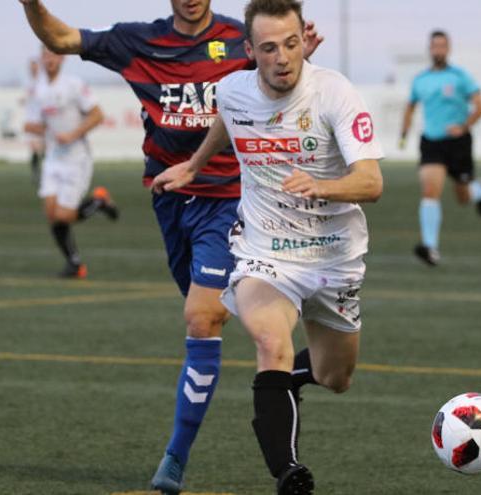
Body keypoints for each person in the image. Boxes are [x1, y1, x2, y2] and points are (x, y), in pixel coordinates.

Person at [17, 1, 322, 492]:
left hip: (230, 201)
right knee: (222, 315)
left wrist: (298, 54)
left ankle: (174, 460)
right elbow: (62, 39)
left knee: (202, 317)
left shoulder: (238, 38)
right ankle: (302, 366)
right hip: (170, 199)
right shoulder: (139, 41)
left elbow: (282, 82)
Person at [152, 0, 384, 492]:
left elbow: (371, 182)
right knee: (269, 342)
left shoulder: (335, 93)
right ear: (251, 51)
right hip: (265, 252)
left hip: (334, 257)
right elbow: (227, 120)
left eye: (292, 44)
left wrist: (326, 186)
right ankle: (288, 472)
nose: (283, 58)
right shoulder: (233, 90)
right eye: (270, 48)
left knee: (335, 376)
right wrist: (193, 168)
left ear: (305, 40)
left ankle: (298, 378)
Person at [24, 46, 119, 279]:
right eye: (45, 55)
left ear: (62, 58)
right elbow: (34, 122)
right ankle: (74, 264)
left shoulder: (74, 85)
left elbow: (97, 115)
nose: (49, 59)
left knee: (64, 216)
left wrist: (73, 134)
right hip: (54, 159)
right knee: (51, 215)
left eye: (53, 55)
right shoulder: (38, 89)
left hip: (77, 159)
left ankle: (99, 200)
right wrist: (34, 127)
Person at [399, 30, 481, 267]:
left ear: (448, 49)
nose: (438, 50)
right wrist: (404, 133)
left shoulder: (461, 77)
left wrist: (464, 126)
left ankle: (480, 190)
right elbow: (410, 107)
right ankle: (430, 248)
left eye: (442, 46)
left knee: (463, 196)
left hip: (458, 143)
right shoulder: (420, 80)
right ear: (429, 49)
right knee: (430, 191)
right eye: (434, 46)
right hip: (432, 143)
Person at [23, 58, 45, 185]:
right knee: (34, 149)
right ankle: (36, 173)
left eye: (35, 66)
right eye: (31, 67)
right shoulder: (28, 83)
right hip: (32, 121)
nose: (33, 69)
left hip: (42, 121)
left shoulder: (43, 82)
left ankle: (46, 172)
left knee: (44, 149)